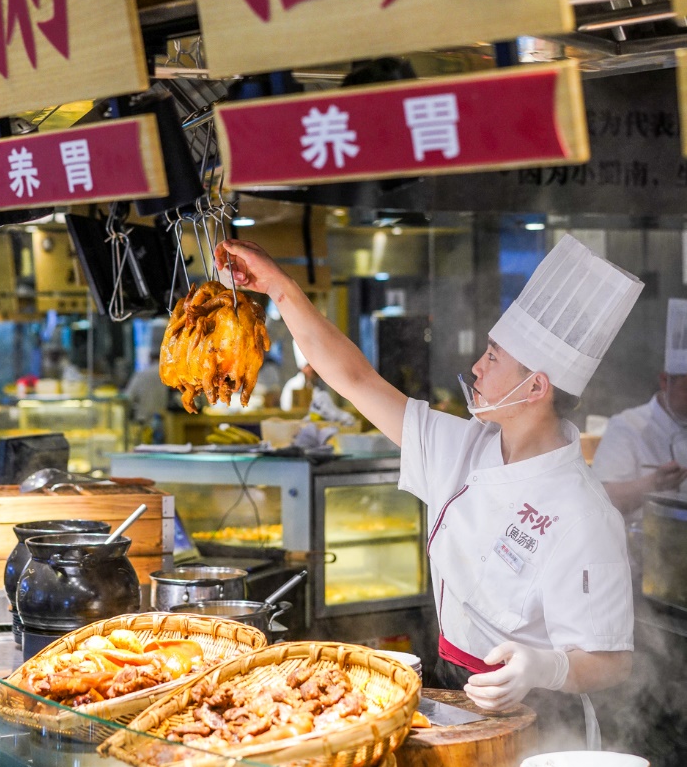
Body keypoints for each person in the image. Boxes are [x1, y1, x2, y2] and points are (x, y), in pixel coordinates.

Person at [216, 235, 641, 732]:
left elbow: (612, 662)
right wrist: (280, 288)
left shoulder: (585, 514)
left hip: (541, 717)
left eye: (493, 357)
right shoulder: (464, 446)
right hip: (450, 687)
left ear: (536, 387)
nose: (477, 366)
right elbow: (356, 380)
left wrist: (543, 667)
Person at [592, 297, 687, 521]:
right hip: (641, 541)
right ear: (665, 381)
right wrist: (654, 483)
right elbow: (601, 501)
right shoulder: (627, 427)